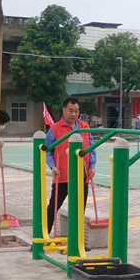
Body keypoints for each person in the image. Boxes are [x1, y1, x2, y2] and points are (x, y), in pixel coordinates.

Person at [45, 97, 96, 235]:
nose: (74, 114)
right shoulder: (55, 129)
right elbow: (47, 150)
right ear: (64, 110)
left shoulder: (85, 127)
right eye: (70, 110)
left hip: (81, 177)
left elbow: (91, 148)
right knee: (52, 208)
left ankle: (76, 240)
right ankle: (43, 236)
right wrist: (52, 166)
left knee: (79, 210)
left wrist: (92, 166)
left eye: (76, 111)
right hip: (62, 176)